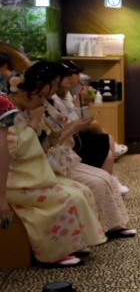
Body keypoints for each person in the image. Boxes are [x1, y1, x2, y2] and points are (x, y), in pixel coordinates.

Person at [3, 62, 106, 267]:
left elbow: (46, 142)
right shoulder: (9, 113)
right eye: (39, 96)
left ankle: (74, 242)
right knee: (65, 197)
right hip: (14, 179)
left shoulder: (30, 111)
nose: (42, 101)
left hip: (33, 174)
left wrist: (55, 126)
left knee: (82, 190)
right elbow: (15, 150)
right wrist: (34, 123)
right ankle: (53, 253)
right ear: (24, 92)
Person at [42, 64, 136, 239]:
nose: (55, 88)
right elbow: (51, 139)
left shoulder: (54, 100)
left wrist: (77, 117)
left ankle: (114, 225)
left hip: (64, 154)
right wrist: (74, 125)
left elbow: (65, 126)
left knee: (104, 175)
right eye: (53, 84)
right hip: (52, 160)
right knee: (99, 175)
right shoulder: (41, 107)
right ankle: (99, 228)